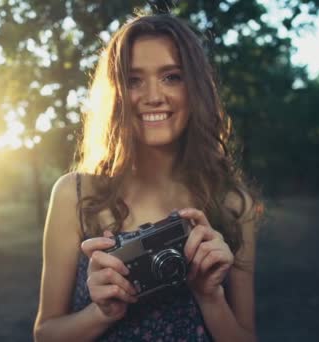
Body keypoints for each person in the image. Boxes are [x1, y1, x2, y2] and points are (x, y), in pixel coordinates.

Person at [34, 13, 262, 342]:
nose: (153, 96)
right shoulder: (75, 194)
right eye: (133, 80)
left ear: (196, 87)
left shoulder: (233, 204)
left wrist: (210, 297)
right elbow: (45, 334)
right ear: (116, 94)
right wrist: (102, 312)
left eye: (172, 76)